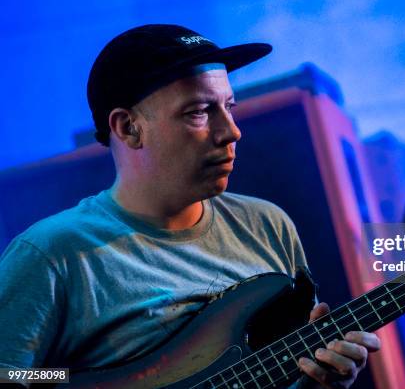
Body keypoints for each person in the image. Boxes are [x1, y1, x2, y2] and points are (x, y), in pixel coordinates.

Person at [0, 24, 380, 388]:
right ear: (128, 127)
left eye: (229, 106)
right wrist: (77, 382)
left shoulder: (269, 226)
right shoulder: (51, 253)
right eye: (199, 111)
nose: (231, 131)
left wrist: (322, 383)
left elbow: (290, 372)